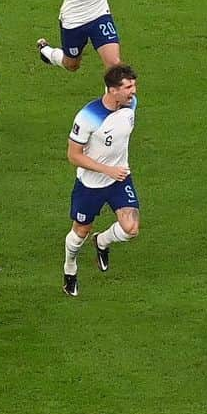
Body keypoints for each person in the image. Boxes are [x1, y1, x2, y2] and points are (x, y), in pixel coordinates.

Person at [61, 64, 140, 295]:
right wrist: (106, 169)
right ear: (112, 90)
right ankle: (70, 268)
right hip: (90, 184)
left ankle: (102, 241)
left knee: (131, 228)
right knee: (80, 232)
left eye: (134, 85)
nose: (133, 91)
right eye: (127, 87)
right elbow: (73, 155)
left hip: (119, 178)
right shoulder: (87, 116)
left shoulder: (130, 105)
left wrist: (115, 170)